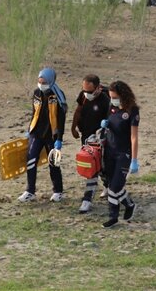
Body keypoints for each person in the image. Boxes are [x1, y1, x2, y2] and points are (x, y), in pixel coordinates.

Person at [18, 68, 67, 203]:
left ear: (51, 81)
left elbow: (61, 119)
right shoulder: (37, 93)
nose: (41, 84)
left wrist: (59, 139)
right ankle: (30, 191)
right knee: (31, 159)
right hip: (37, 133)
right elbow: (34, 112)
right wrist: (30, 130)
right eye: (39, 81)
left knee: (53, 163)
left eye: (44, 82)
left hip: (51, 135)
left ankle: (58, 191)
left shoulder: (57, 97)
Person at [101, 80, 140, 228]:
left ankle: (113, 217)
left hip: (123, 153)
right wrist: (105, 124)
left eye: (115, 97)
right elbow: (109, 123)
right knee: (111, 184)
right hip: (109, 150)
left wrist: (134, 159)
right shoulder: (112, 107)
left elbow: (134, 137)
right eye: (111, 97)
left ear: (123, 96)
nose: (113, 100)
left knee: (115, 187)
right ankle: (129, 204)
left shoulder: (132, 111)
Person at [70, 74, 111, 214]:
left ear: (98, 88)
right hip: (86, 136)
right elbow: (78, 110)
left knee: (98, 167)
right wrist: (73, 127)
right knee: (93, 168)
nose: (86, 94)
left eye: (89, 91)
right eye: (84, 90)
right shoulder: (83, 96)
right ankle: (96, 193)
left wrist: (103, 133)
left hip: (99, 138)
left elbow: (110, 119)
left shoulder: (105, 100)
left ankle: (91, 197)